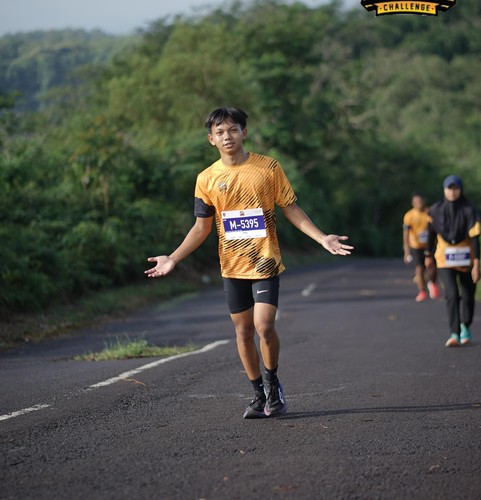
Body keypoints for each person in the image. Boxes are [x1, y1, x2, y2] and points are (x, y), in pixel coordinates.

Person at [145, 107, 353, 418]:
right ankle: (258, 394)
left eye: (233, 130)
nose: (227, 136)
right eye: (219, 132)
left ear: (244, 132)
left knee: (264, 326)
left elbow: (290, 208)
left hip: (265, 262)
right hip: (232, 267)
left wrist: (322, 238)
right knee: (243, 332)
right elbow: (201, 227)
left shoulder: (268, 168)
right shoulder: (206, 179)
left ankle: (272, 384)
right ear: (211, 139)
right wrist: (173, 257)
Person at [426, 175, 481, 347]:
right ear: (444, 190)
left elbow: (475, 239)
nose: (452, 192)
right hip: (444, 259)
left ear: (461, 190)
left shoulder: (469, 210)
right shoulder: (435, 210)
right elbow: (430, 235)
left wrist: (477, 264)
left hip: (466, 259)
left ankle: (466, 326)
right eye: (449, 188)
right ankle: (454, 333)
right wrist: (428, 255)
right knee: (451, 294)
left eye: (455, 188)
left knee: (468, 294)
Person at [403, 193, 440, 302]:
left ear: (424, 201)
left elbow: (437, 229)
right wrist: (406, 252)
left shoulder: (430, 213)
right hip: (416, 246)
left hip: (430, 245)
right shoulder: (409, 216)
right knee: (419, 268)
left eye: (420, 201)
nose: (419, 204)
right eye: (416, 202)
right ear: (413, 203)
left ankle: (432, 282)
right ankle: (422, 291)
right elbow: (405, 235)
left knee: (432, 267)